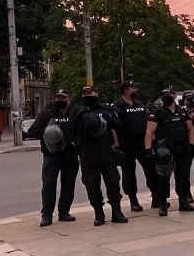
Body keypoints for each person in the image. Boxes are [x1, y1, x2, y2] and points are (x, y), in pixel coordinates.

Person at [71, 86, 127, 226]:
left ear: (97, 94)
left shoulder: (106, 109)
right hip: (87, 154)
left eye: (91, 93)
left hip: (106, 152)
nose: (88, 95)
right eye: (85, 93)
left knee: (113, 183)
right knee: (92, 186)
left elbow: (119, 125)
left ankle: (117, 212)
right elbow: (71, 130)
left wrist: (109, 119)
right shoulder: (78, 111)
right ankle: (98, 214)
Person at [26, 89, 78, 227]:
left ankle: (64, 212)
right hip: (51, 154)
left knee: (68, 184)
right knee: (49, 185)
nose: (60, 101)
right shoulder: (47, 114)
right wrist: (48, 131)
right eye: (58, 98)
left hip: (70, 154)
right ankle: (47, 215)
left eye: (63, 98)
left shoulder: (74, 113)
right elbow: (32, 132)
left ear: (69, 100)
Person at [144, 87, 194, 216]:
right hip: (165, 149)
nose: (166, 97)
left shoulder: (182, 112)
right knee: (163, 178)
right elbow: (149, 131)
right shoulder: (158, 113)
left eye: (168, 95)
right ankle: (163, 204)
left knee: (183, 176)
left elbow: (190, 128)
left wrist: (191, 144)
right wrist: (148, 149)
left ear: (174, 97)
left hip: (182, 147)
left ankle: (183, 202)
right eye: (164, 95)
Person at [112, 80, 156, 211]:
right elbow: (113, 127)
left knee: (151, 170)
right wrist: (116, 144)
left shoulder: (139, 104)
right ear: (126, 90)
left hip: (142, 142)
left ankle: (156, 197)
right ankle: (133, 201)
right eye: (132, 88)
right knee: (129, 174)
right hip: (126, 144)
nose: (135, 90)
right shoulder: (117, 107)